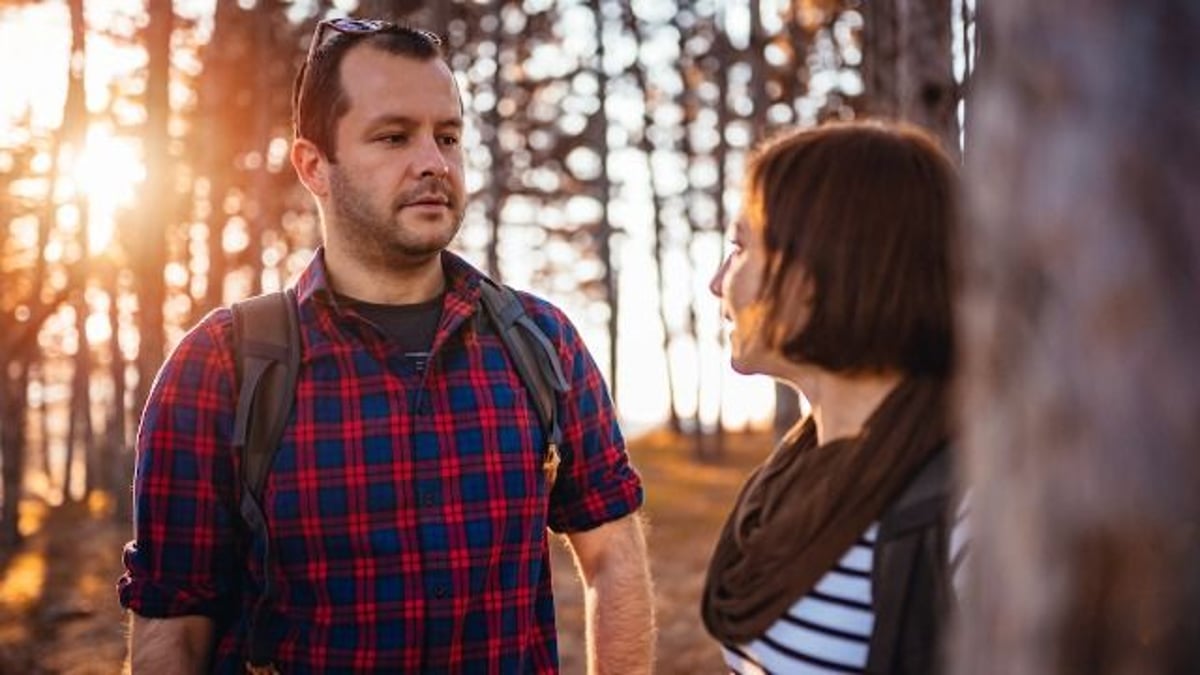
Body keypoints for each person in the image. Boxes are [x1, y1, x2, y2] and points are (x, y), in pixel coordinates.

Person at [118, 18, 653, 674]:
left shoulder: (543, 343)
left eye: (448, 136)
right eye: (394, 136)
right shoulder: (220, 367)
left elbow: (614, 558)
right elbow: (173, 625)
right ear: (314, 165)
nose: (434, 161)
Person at [701, 120, 964, 673]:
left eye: (740, 247)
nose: (719, 282)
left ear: (824, 269)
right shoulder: (793, 477)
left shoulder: (967, 514)